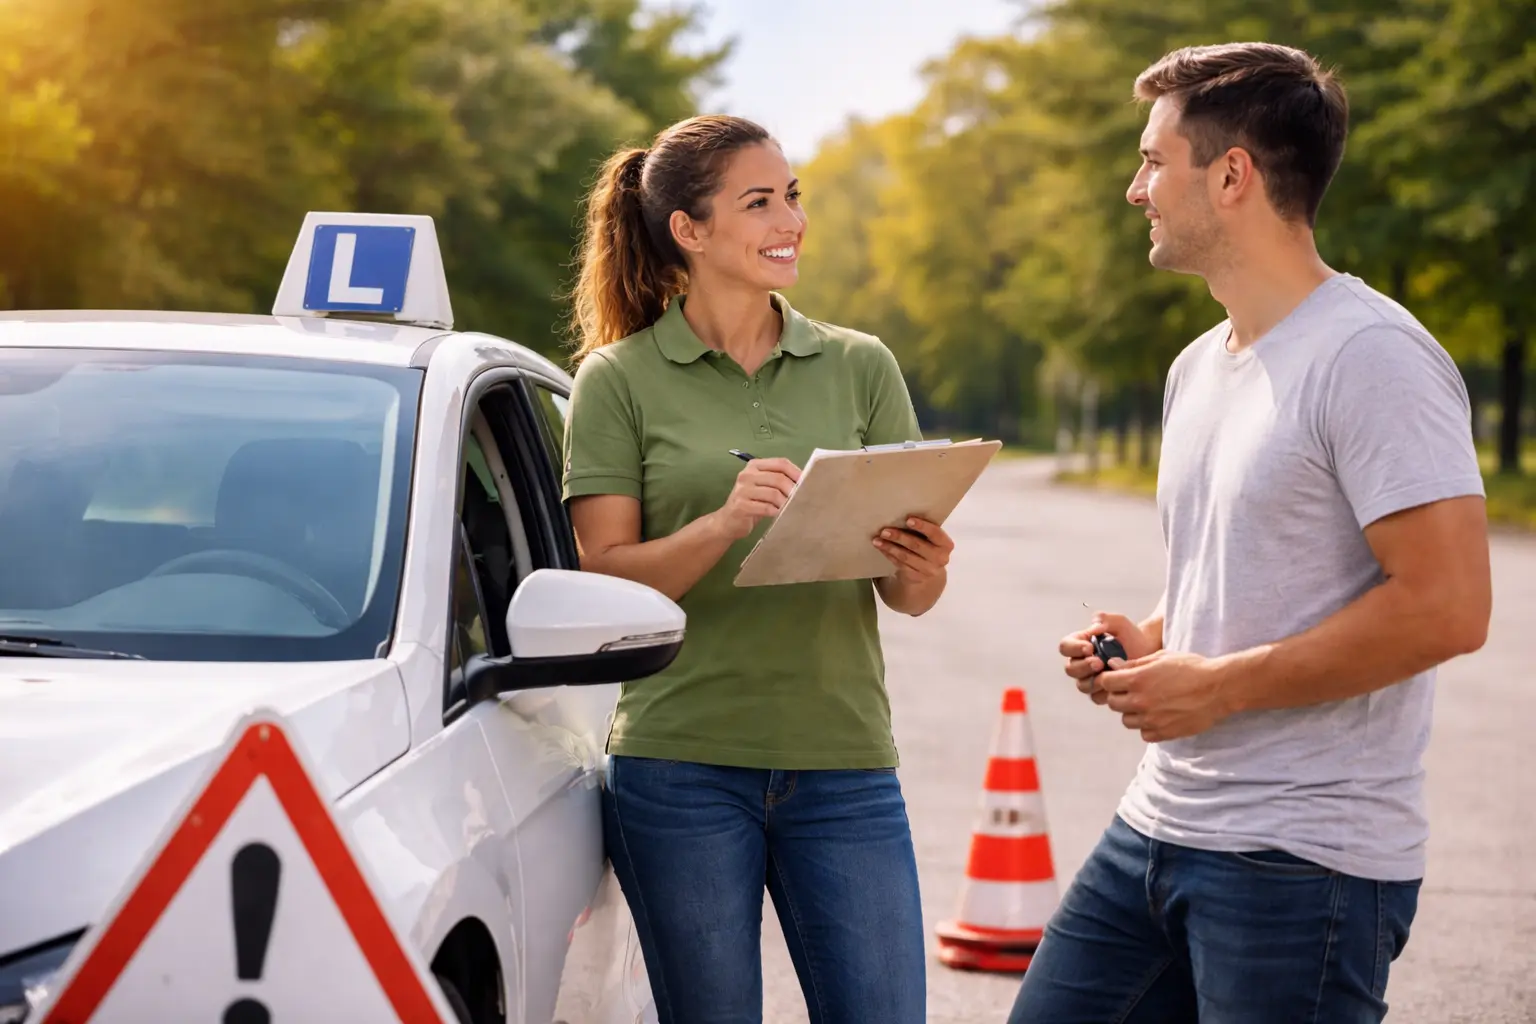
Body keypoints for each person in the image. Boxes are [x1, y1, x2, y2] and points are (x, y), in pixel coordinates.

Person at [1008, 42, 1492, 1024]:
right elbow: (1248, 572)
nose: (1135, 187)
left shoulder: (1373, 357)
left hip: (1302, 863)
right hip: (1158, 824)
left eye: (1154, 160)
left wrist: (1217, 687)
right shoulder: (1199, 365)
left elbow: (1448, 606)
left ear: (1232, 176)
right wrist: (1152, 642)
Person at [560, 113, 950, 1024]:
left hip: (843, 761)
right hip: (680, 765)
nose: (793, 220)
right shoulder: (618, 380)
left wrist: (922, 565)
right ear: (688, 231)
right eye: (761, 201)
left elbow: (911, 596)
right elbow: (601, 574)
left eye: (795, 196)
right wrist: (724, 523)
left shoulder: (859, 366)